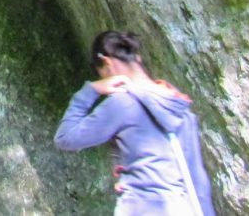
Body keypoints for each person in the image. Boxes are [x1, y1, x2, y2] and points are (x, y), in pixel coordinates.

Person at [55, 30, 216, 215]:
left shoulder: (122, 104)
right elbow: (198, 183)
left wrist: (92, 90)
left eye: (102, 76)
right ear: (137, 58)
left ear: (107, 63)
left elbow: (65, 138)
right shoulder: (180, 107)